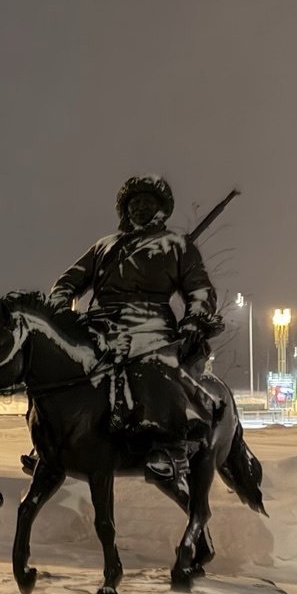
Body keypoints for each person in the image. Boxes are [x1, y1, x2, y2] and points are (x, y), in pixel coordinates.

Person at [45, 174, 224, 483]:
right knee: (62, 368)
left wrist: (195, 318)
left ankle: (166, 446)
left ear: (161, 209)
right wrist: (60, 304)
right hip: (99, 325)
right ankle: (50, 442)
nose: (140, 207)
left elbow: (200, 291)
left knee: (151, 369)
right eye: (134, 202)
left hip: (150, 326)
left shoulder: (177, 246)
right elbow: (68, 281)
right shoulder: (105, 246)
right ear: (125, 209)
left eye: (148, 202)